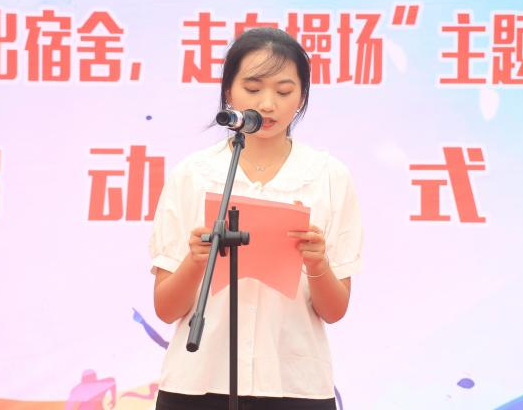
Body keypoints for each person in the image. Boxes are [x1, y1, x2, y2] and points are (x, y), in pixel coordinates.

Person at [149, 27, 363, 410]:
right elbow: (166, 309)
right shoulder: (193, 174)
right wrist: (196, 261)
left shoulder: (329, 176)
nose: (267, 104)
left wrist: (317, 264)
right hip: (198, 382)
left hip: (293, 385)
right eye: (252, 88)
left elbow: (334, 311)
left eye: (284, 91)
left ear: (302, 97)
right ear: (229, 91)